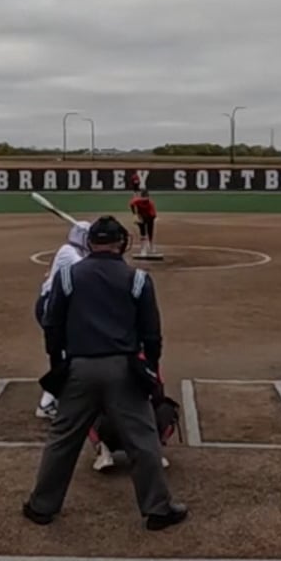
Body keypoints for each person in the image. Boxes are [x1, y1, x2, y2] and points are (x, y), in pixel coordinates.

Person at [24, 216, 187, 531]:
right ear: (121, 243)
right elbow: (151, 334)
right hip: (124, 369)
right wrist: (150, 370)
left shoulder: (68, 275)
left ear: (90, 243)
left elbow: (52, 324)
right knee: (143, 440)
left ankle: (41, 506)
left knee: (62, 439)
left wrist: (58, 365)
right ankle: (158, 509)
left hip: (79, 367)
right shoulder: (138, 279)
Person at [34, 219, 91, 420]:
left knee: (67, 353)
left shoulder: (80, 253)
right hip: (50, 308)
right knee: (64, 355)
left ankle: (58, 397)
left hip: (61, 309)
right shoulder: (67, 252)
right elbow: (85, 269)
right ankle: (47, 402)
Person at [128, 189, 158, 258]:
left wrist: (144, 220)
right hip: (141, 216)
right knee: (142, 233)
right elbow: (132, 205)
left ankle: (151, 246)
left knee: (150, 232)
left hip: (149, 217)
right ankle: (143, 248)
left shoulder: (150, 204)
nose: (145, 200)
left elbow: (153, 216)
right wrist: (135, 215)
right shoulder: (136, 201)